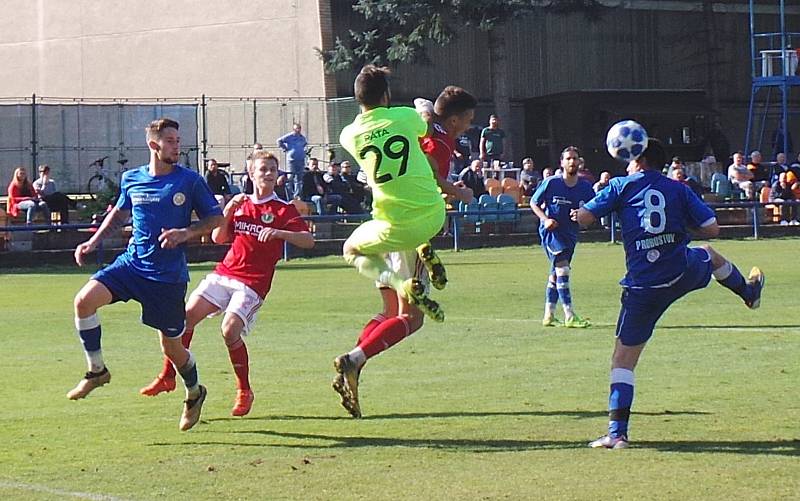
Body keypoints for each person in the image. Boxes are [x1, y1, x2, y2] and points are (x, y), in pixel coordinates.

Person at [575, 138, 764, 449]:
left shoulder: (621, 185)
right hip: (680, 271)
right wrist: (677, 226)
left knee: (623, 361)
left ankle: (617, 434)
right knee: (708, 252)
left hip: (643, 287)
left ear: (641, 159)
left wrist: (580, 211)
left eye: (631, 156)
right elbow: (712, 227)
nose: (627, 161)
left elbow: (584, 219)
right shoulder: (678, 188)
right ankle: (748, 292)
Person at [69, 118, 224, 432]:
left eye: (178, 140)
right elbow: (119, 212)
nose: (176, 146)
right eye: (170, 141)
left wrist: (186, 232)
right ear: (154, 145)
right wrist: (93, 240)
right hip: (131, 265)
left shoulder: (189, 181)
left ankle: (195, 392)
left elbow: (216, 218)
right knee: (83, 302)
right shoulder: (132, 178)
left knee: (172, 348)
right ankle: (96, 371)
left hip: (167, 278)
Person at [139, 150, 314, 416]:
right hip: (225, 273)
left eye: (272, 169)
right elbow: (220, 238)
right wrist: (229, 210)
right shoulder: (241, 204)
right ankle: (168, 375)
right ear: (251, 174)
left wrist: (279, 232)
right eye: (263, 169)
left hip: (252, 283)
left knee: (229, 330)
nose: (268, 173)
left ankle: (244, 390)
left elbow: (308, 240)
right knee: (183, 319)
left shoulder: (283, 209)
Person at [332, 65, 447, 417]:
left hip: (386, 222)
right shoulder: (403, 117)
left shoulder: (348, 135)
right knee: (408, 318)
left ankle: (357, 359)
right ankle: (355, 358)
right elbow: (425, 120)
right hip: (422, 218)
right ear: (385, 96)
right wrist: (423, 106)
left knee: (353, 251)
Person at [530, 146, 595, 328]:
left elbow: (593, 208)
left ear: (579, 162)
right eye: (568, 158)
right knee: (563, 270)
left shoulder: (585, 187)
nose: (572, 162)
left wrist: (582, 214)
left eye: (575, 158)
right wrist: (545, 219)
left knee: (555, 275)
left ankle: (548, 315)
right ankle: (569, 315)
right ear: (562, 162)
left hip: (571, 233)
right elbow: (533, 202)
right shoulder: (552, 182)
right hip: (552, 233)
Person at [277, 123, 308, 199]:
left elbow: (304, 144)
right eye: (296, 129)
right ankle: (289, 195)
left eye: (299, 129)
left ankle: (297, 195)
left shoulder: (302, 138)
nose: (298, 130)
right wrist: (285, 149)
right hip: (292, 160)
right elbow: (279, 141)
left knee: (299, 178)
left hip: (300, 160)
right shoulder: (289, 136)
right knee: (290, 177)